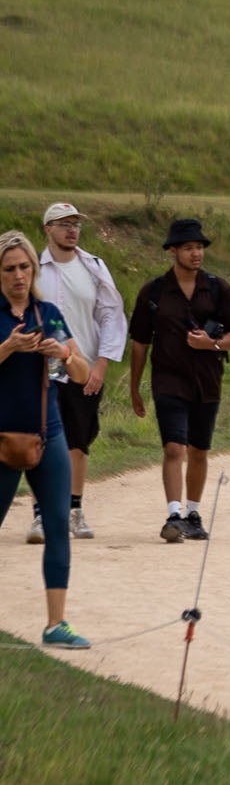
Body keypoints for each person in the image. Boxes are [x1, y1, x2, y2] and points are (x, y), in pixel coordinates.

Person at [0, 230, 93, 647]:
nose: (18, 275)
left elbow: (83, 375)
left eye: (24, 267)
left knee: (57, 525)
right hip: (0, 437)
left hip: (47, 434)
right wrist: (8, 347)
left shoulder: (48, 313)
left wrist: (64, 354)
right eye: (9, 269)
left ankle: (56, 625)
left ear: (34, 269)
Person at [128, 219, 230, 542]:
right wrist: (134, 387)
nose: (196, 254)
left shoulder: (218, 288)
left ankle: (193, 514)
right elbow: (140, 342)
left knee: (198, 450)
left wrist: (212, 344)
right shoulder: (153, 292)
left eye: (199, 247)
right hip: (168, 380)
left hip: (207, 380)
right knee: (174, 447)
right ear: (172, 251)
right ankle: (173, 515)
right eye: (188, 248)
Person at [35, 201, 128, 540]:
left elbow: (110, 315)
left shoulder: (94, 267)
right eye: (63, 224)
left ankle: (74, 509)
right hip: (42, 366)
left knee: (79, 440)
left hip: (82, 365)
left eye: (75, 223)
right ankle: (41, 514)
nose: (71, 229)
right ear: (48, 229)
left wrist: (102, 363)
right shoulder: (34, 269)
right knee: (40, 439)